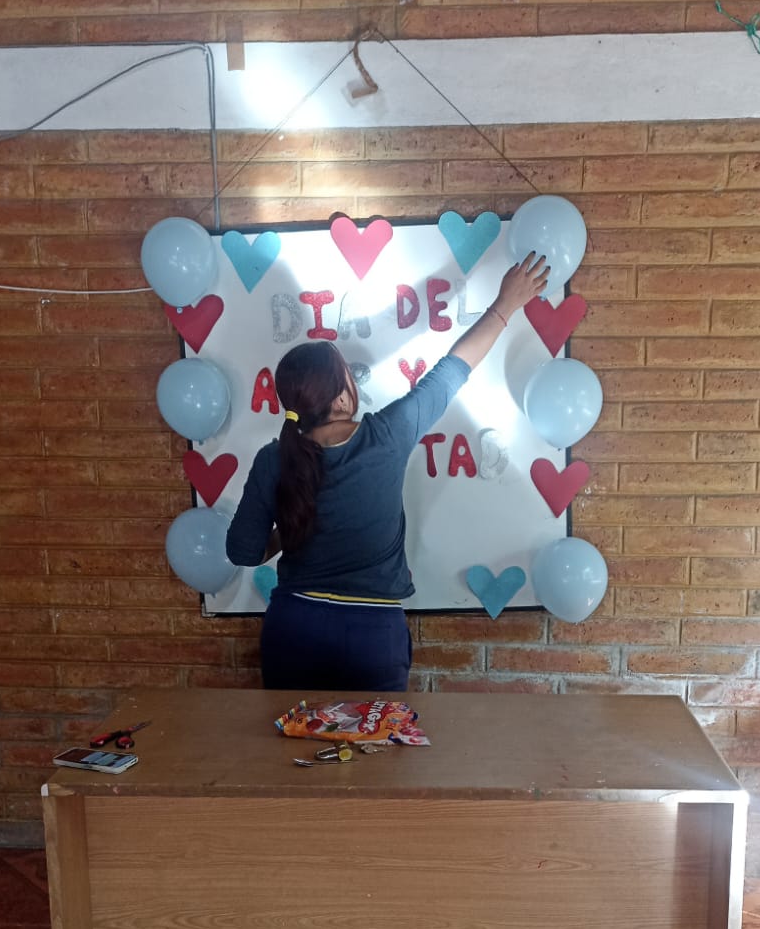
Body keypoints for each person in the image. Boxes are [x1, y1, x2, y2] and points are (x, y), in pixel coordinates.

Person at [226, 251, 551, 692]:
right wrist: (505, 305)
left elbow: (243, 551)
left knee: (295, 736)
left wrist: (293, 526)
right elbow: (453, 369)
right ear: (342, 398)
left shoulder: (273, 458)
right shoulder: (388, 433)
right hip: (371, 631)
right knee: (377, 739)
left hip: (294, 626)